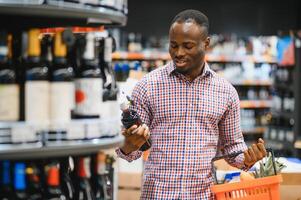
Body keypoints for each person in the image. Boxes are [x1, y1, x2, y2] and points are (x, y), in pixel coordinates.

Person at [116, 9, 267, 200]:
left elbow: (232, 149)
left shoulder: (226, 92)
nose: (178, 53)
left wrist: (247, 159)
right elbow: (132, 149)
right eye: (173, 45)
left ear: (206, 44)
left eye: (188, 46)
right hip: (157, 194)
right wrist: (128, 145)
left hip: (202, 195)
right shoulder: (147, 86)